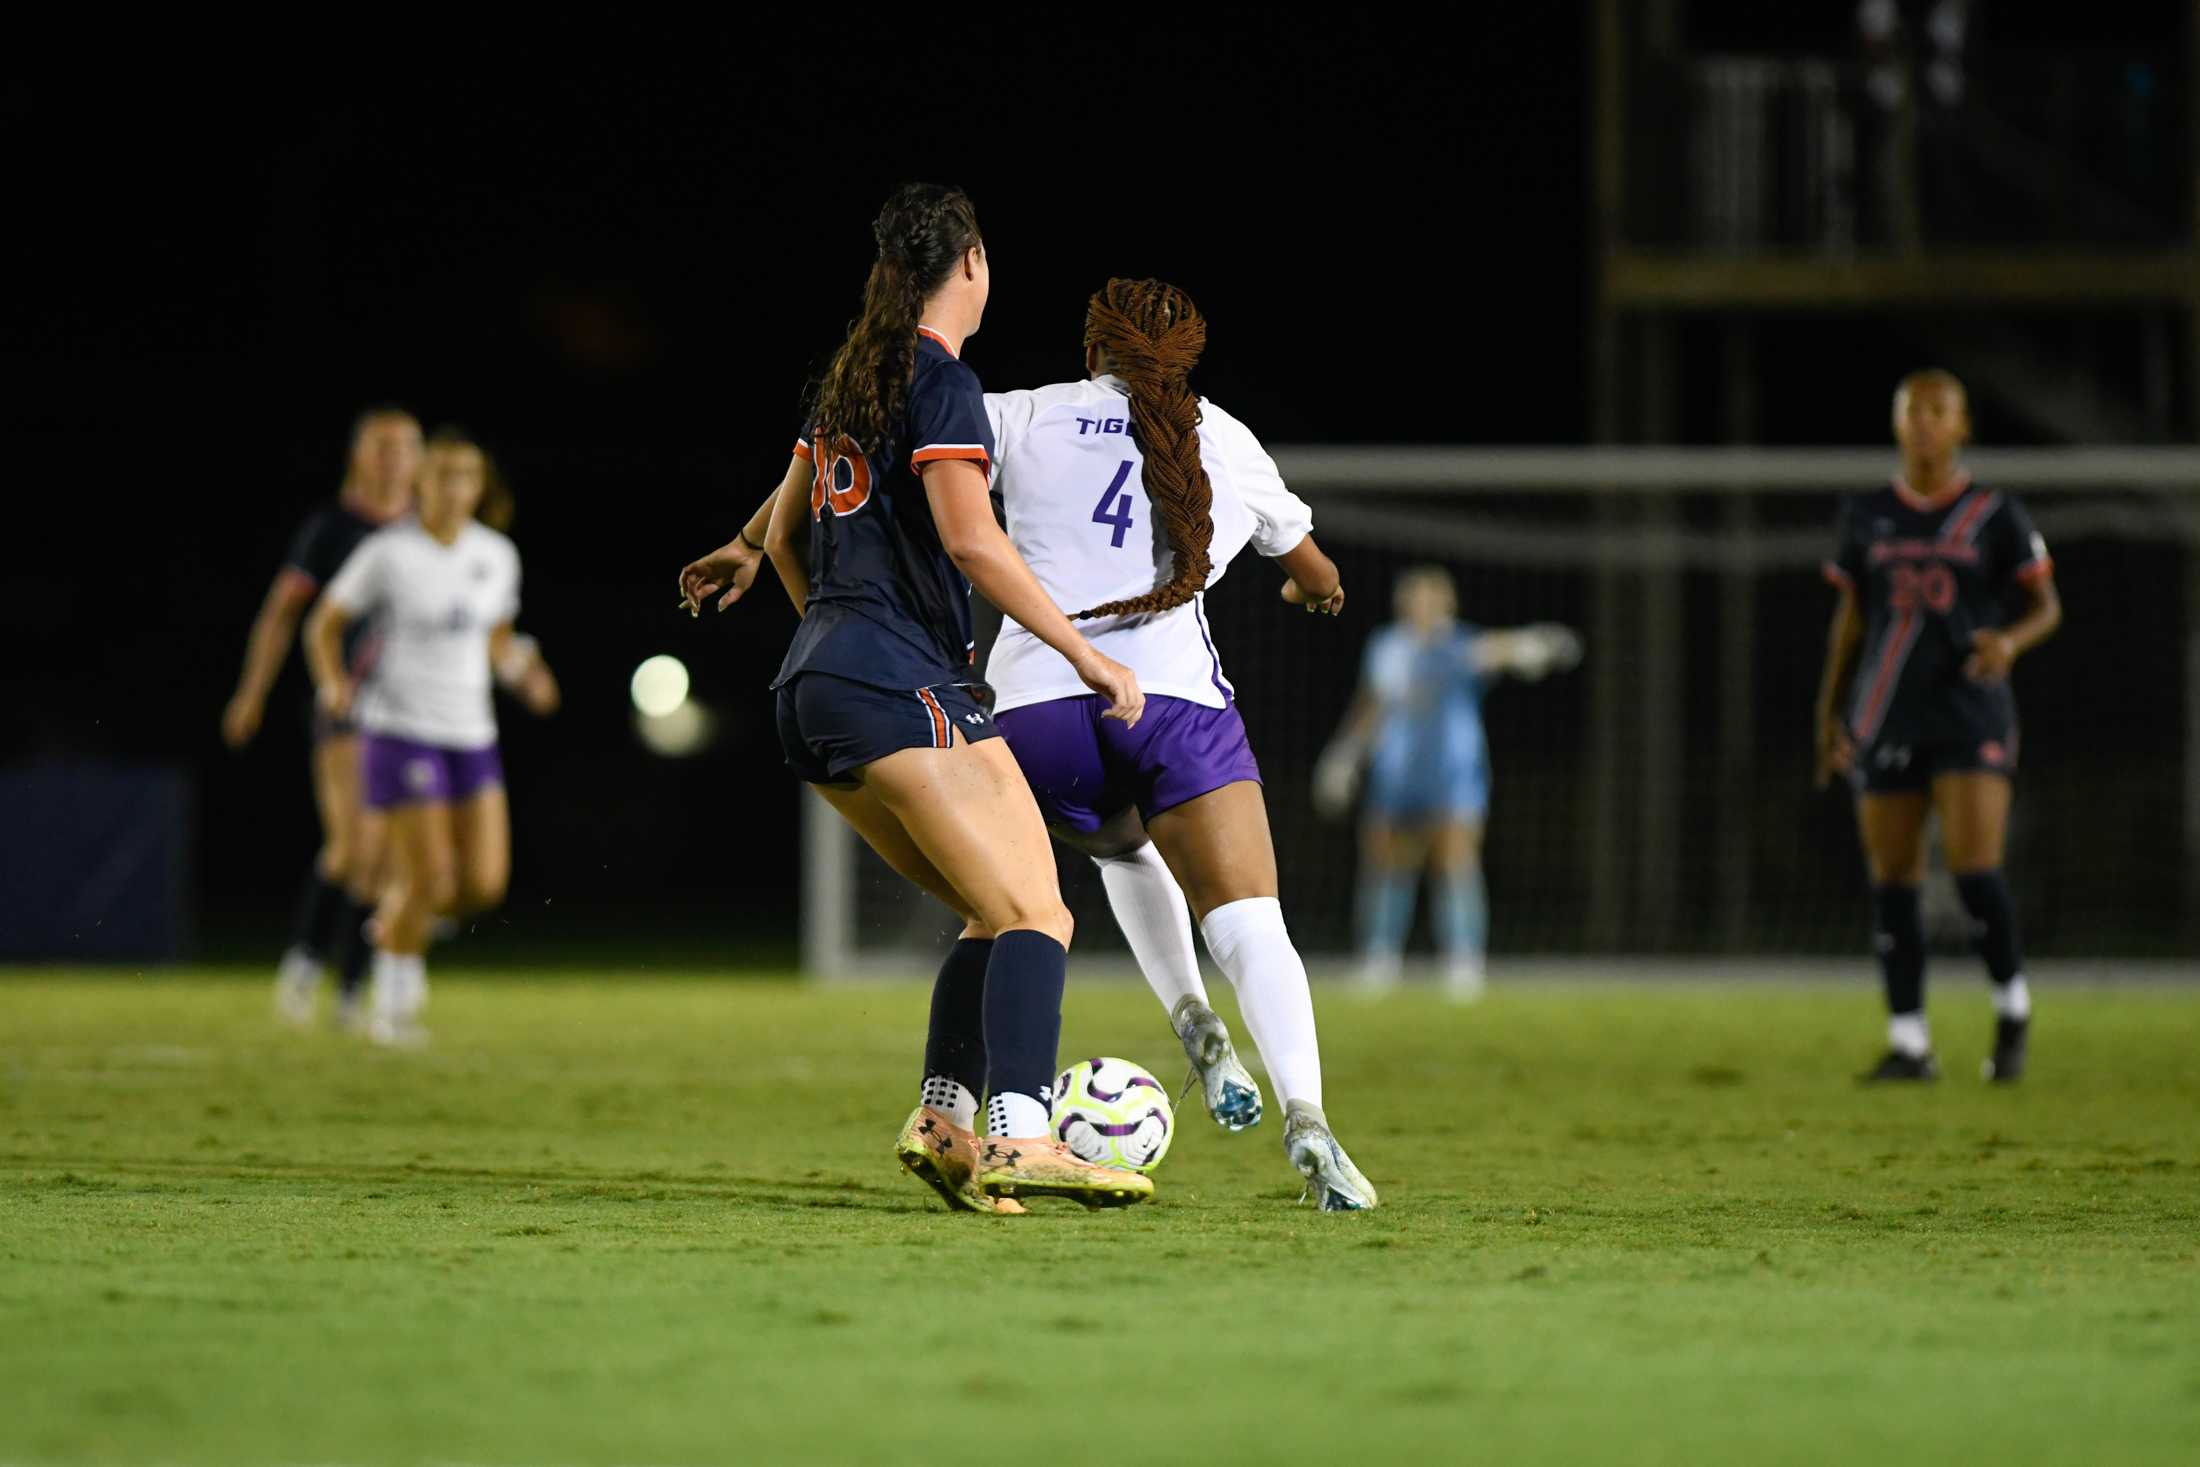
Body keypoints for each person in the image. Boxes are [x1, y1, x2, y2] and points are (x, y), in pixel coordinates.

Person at [678, 184, 1153, 1215]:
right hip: (904, 684)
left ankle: (943, 1119)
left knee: (992, 913)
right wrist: (1087, 657)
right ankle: (1023, 1131)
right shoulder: (943, 383)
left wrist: (817, 621)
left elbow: (789, 533)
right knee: (1040, 911)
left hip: (812, 690)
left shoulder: (848, 384)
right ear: (970, 263)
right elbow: (971, 539)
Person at [980, 277, 1379, 1211]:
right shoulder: (1223, 437)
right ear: (1186, 357)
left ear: (1092, 352)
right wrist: (1312, 592)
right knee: (1251, 925)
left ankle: (1187, 1016)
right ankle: (1310, 1118)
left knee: (1116, 847)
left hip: (1036, 704)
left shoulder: (1022, 415)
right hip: (1176, 710)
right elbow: (1314, 569)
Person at [1814, 368, 2059, 1083]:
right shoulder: (1866, 513)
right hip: (1886, 711)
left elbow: (2047, 605)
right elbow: (1852, 618)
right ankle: (1909, 1042)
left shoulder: (1994, 513)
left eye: (1938, 411)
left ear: (1961, 427)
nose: (1924, 422)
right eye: (1912, 410)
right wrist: (1828, 710)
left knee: (1976, 867)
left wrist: (2010, 642)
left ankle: (2011, 1006)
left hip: (1969, 712)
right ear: (1896, 424)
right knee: (1893, 879)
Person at [304, 428, 558, 1048]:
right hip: (399, 729)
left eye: (465, 476)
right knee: (428, 873)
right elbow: (324, 625)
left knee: (481, 884)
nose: (453, 488)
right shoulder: (388, 552)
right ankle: (391, 1007)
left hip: (471, 731)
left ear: (479, 486)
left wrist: (524, 673)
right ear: (421, 484)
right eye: (441, 475)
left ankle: (393, 926)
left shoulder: (496, 555)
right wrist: (334, 683)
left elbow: (496, 638)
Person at [222, 406, 422, 1027]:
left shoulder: (429, 533)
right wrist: (251, 692)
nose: (392, 458)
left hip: (417, 712)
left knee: (394, 861)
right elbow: (283, 615)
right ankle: (305, 965)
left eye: (404, 447)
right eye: (381, 446)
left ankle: (352, 992)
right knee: (353, 849)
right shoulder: (331, 529)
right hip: (347, 705)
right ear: (358, 456)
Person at [1314, 568, 1582, 997]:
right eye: (1414, 596)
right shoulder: (1386, 647)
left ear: (1447, 603)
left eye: (1430, 597)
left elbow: (1496, 650)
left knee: (1455, 863)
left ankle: (1464, 960)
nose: (1421, 604)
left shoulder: (1456, 643)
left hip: (1453, 774)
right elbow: (1371, 704)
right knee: (1386, 864)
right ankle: (1379, 959)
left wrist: (1536, 644)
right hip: (1396, 773)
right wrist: (1345, 755)